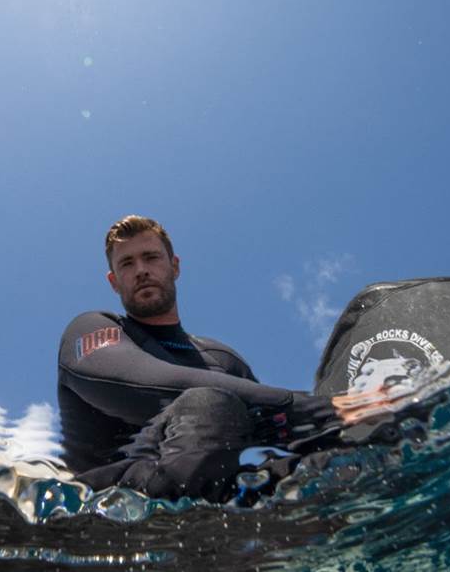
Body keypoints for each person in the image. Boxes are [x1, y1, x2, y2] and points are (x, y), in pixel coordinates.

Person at [56, 215, 337, 502]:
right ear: (114, 282)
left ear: (174, 266)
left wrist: (354, 419)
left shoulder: (224, 361)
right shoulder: (91, 329)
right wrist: (307, 405)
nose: (141, 270)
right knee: (209, 403)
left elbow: (270, 431)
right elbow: (142, 383)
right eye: (127, 263)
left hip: (227, 498)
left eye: (151, 257)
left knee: (338, 457)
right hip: (111, 508)